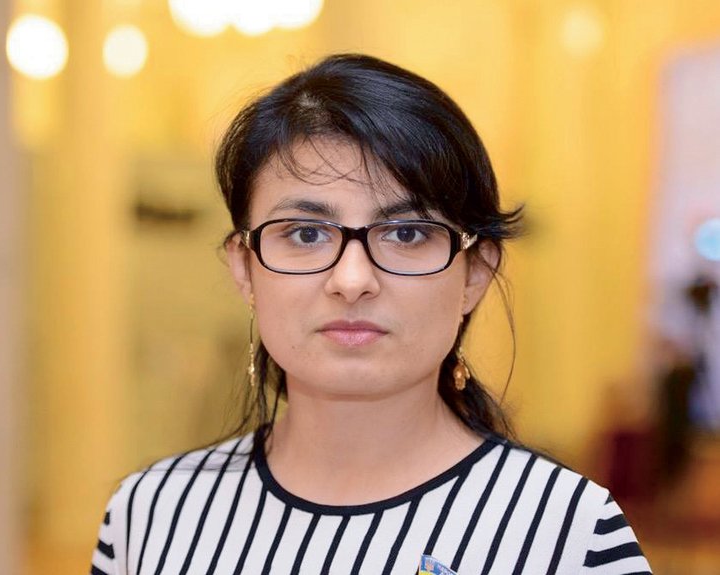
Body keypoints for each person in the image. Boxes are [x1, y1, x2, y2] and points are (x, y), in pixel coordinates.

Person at [90, 54, 652, 574]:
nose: (352, 280)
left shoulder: (567, 534)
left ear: (475, 272)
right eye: (305, 233)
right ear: (244, 267)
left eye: (406, 233)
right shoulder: (151, 516)